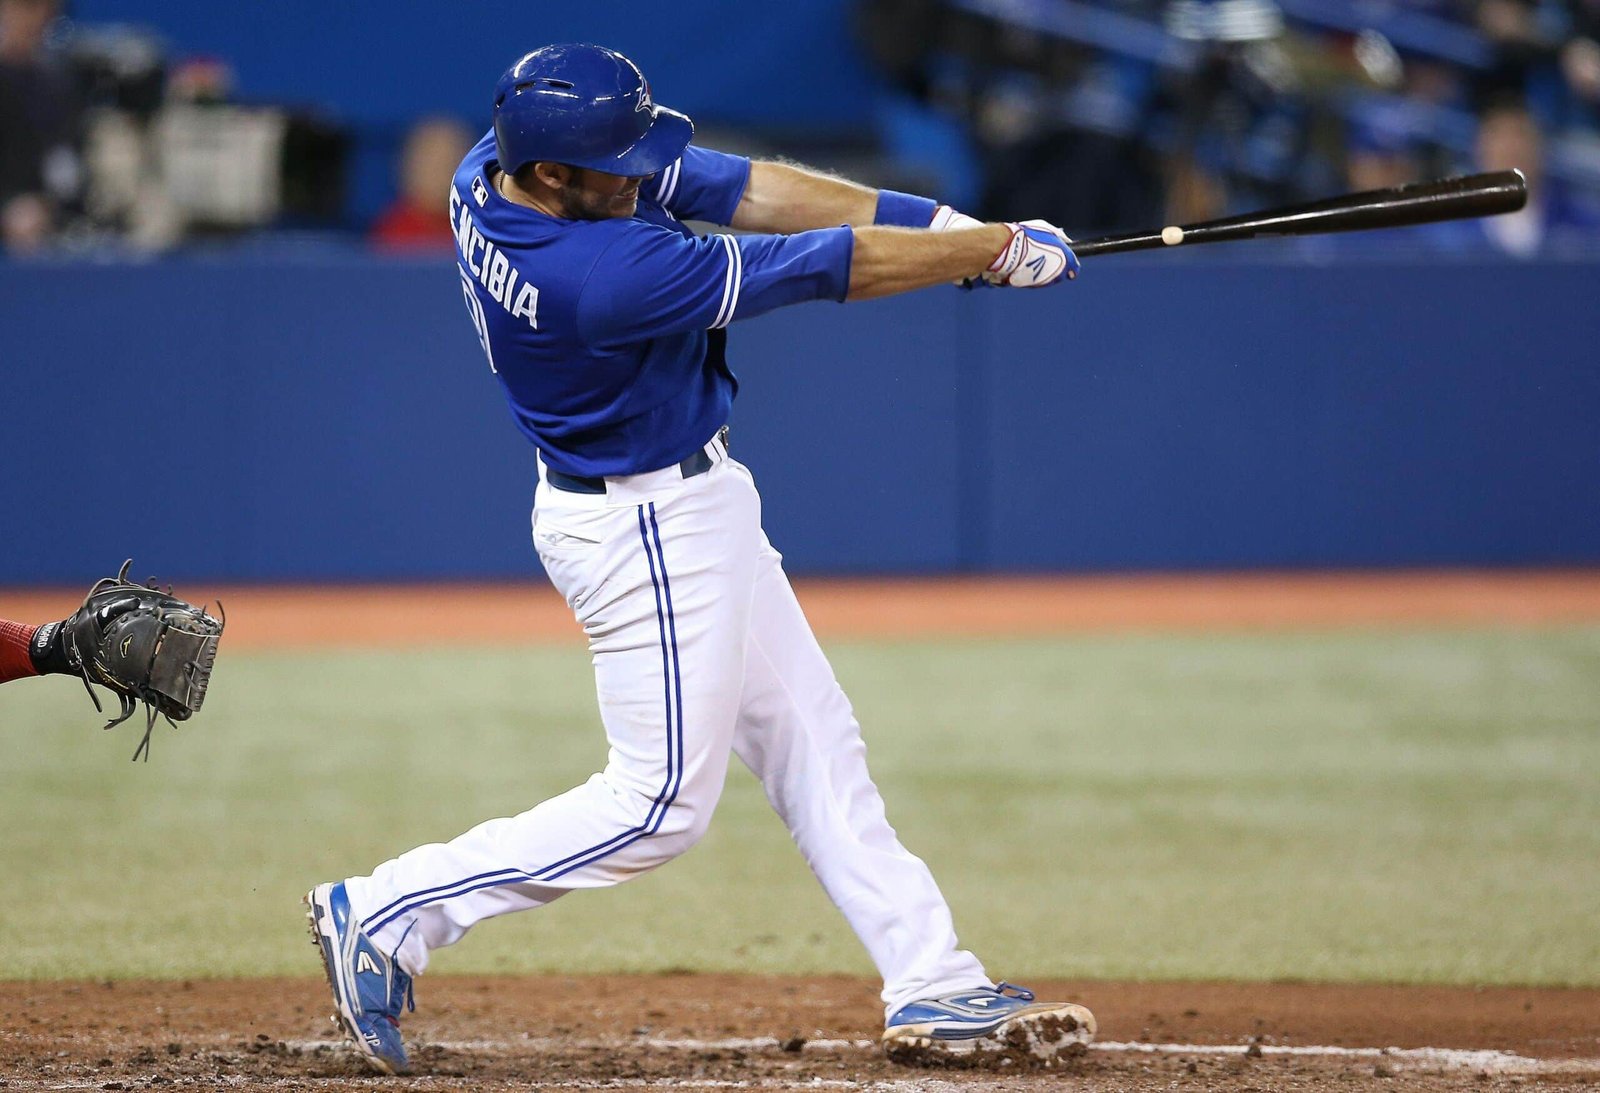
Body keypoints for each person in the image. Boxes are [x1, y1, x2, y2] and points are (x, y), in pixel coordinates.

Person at [305, 43, 1091, 1076]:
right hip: (645, 528)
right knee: (658, 805)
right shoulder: (599, 277)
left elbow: (751, 190)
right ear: (552, 172)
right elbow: (821, 263)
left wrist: (942, 226)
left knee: (814, 741)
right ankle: (388, 909)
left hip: (683, 501)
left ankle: (932, 979)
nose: (638, 179)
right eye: (615, 169)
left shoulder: (494, 168)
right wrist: (984, 251)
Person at [0, 0, 79, 254]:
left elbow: (67, 169)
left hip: (49, 220)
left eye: (48, 8)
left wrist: (48, 208)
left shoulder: (60, 83)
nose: (37, 18)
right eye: (27, 6)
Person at [370, 117, 474, 253]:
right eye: (433, 164)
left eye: (451, 161)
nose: (443, 173)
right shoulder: (390, 234)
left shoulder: (484, 229)